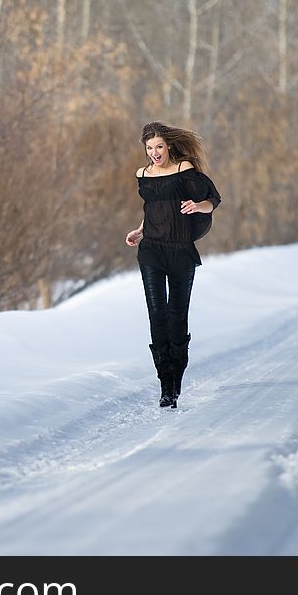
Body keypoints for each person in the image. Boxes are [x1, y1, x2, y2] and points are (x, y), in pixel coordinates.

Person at [125, 121, 222, 409]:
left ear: (168, 146)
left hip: (180, 252)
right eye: (149, 148)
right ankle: (164, 385)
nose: (155, 152)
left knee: (177, 316)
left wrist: (197, 206)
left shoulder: (184, 171)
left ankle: (176, 380)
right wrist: (140, 231)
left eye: (159, 147)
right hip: (151, 250)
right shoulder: (142, 174)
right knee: (157, 315)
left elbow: (212, 200)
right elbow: (154, 209)